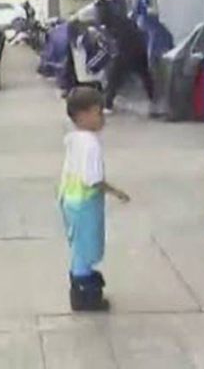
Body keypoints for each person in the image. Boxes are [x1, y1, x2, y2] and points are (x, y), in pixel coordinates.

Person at [59, 87, 130, 311]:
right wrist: (116, 191)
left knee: (79, 247)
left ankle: (80, 286)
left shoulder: (73, 139)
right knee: (87, 249)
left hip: (70, 200)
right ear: (83, 116)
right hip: (85, 203)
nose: (103, 118)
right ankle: (85, 296)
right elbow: (93, 179)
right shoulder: (91, 144)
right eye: (98, 113)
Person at [95, 0, 154, 113]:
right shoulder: (118, 19)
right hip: (137, 49)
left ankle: (108, 104)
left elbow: (118, 41)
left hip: (127, 51)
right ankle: (154, 99)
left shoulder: (110, 21)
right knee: (144, 76)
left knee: (114, 77)